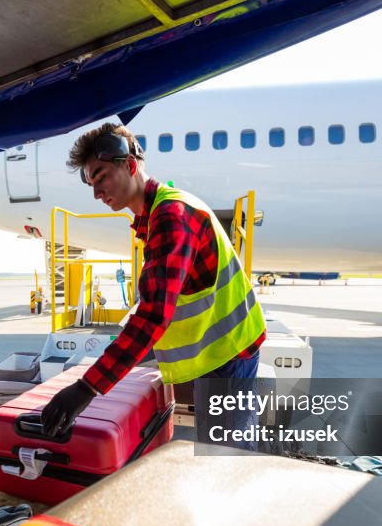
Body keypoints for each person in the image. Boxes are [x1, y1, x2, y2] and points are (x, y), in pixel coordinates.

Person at [40, 122, 266, 450]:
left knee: (226, 458)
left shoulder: (171, 217)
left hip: (231, 355)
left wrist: (87, 388)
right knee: (220, 450)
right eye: (91, 183)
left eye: (101, 176)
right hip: (222, 354)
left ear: (130, 165)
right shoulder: (157, 215)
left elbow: (153, 316)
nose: (96, 192)